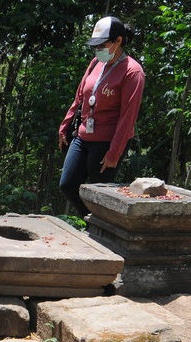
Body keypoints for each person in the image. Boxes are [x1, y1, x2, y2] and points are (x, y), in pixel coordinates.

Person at [58, 16, 145, 215]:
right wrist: (64, 126)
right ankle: (90, 221)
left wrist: (114, 152)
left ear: (118, 41)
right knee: (68, 184)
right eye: (95, 46)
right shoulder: (95, 62)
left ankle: (97, 230)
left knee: (98, 194)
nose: (98, 49)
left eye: (102, 45)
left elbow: (128, 117)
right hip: (82, 137)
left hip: (107, 142)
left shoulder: (133, 72)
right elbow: (80, 97)